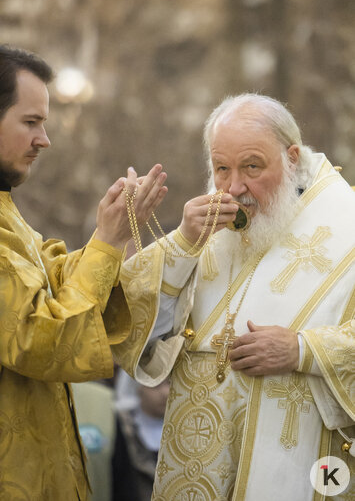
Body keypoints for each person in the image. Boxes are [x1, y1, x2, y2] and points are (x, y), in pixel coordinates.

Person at [115, 93, 355, 500]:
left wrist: (302, 350)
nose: (235, 186)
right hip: (200, 462)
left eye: (252, 167)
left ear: (292, 157)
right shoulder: (204, 232)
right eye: (221, 168)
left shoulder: (346, 225)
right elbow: (129, 329)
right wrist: (182, 242)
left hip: (301, 462)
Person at [0, 44, 168, 500]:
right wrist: (107, 243)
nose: (44, 140)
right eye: (31, 122)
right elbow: (38, 336)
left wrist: (117, 239)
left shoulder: (7, 213)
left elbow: (54, 277)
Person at [111, 372, 169, 501]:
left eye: (170, 384)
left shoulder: (185, 432)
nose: (165, 392)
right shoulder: (123, 429)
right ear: (138, 388)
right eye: (156, 386)